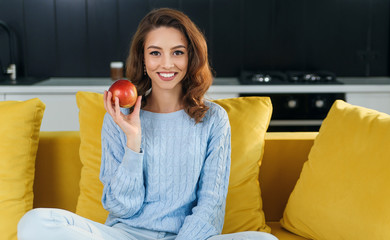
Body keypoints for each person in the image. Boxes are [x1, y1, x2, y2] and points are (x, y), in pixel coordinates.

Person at [17, 8, 278, 240]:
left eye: (178, 52)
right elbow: (121, 208)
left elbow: (211, 208)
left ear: (190, 58)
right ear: (143, 59)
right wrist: (133, 141)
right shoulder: (119, 117)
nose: (167, 63)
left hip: (188, 238)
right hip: (124, 234)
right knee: (34, 222)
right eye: (155, 53)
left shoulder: (213, 119)